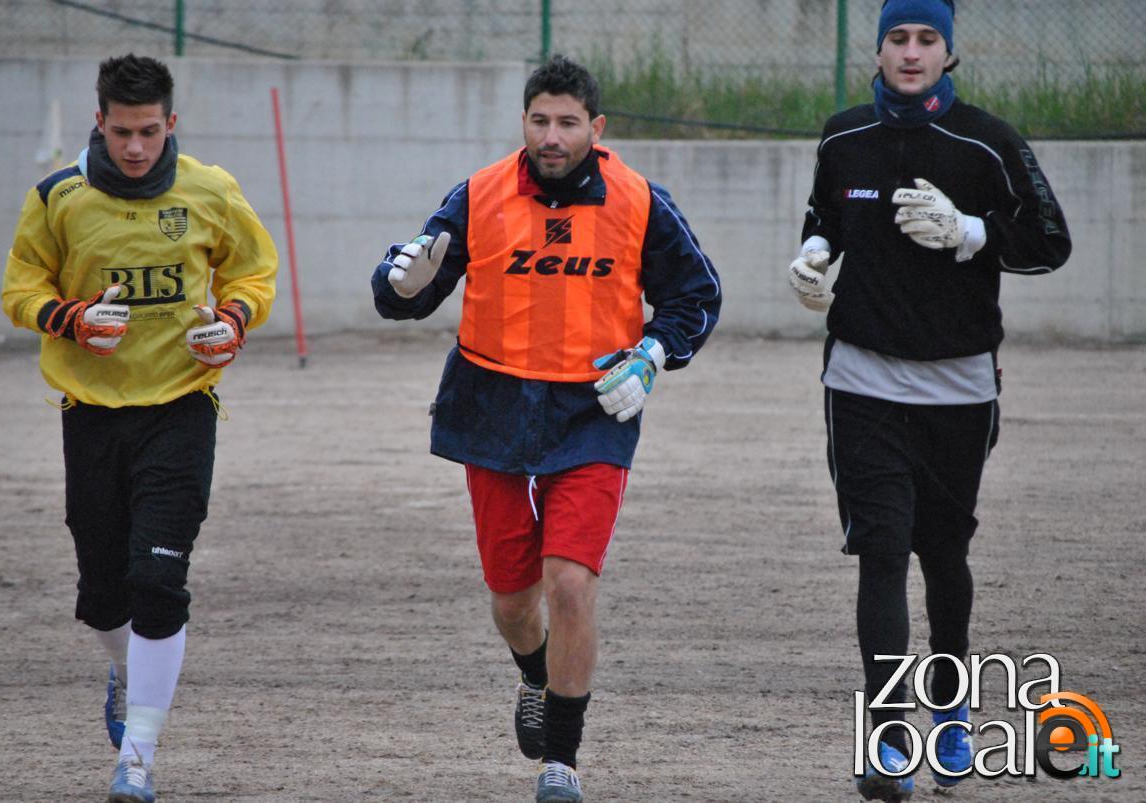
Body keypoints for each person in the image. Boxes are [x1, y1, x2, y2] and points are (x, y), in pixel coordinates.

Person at [371, 55, 720, 803]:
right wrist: (396, 283)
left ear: (596, 128)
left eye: (568, 123)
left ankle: (561, 762)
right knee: (511, 598)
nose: (552, 137)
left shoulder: (638, 200)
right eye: (540, 121)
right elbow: (414, 283)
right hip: (490, 407)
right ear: (522, 122)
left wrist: (654, 355)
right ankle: (535, 675)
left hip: (593, 412)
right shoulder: (480, 194)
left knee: (569, 583)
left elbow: (699, 294)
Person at [788, 0, 1070, 799]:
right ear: (877, 51)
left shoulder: (990, 141)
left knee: (942, 555)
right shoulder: (842, 135)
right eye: (897, 39)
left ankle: (950, 711)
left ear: (949, 51)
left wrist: (972, 232)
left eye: (926, 38)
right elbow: (826, 216)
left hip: (959, 384)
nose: (911, 53)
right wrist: (813, 254)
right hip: (861, 380)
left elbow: (1051, 241)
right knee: (880, 550)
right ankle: (886, 742)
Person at [1, 54, 277, 802]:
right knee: (102, 594)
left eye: (149, 132)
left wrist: (233, 320)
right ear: (99, 122)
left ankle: (138, 761)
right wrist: (69, 317)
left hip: (182, 407)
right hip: (90, 415)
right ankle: (124, 672)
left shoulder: (212, 190)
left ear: (171, 125)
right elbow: (21, 286)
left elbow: (255, 274)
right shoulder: (59, 197)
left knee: (159, 578)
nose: (134, 147)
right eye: (121, 131)